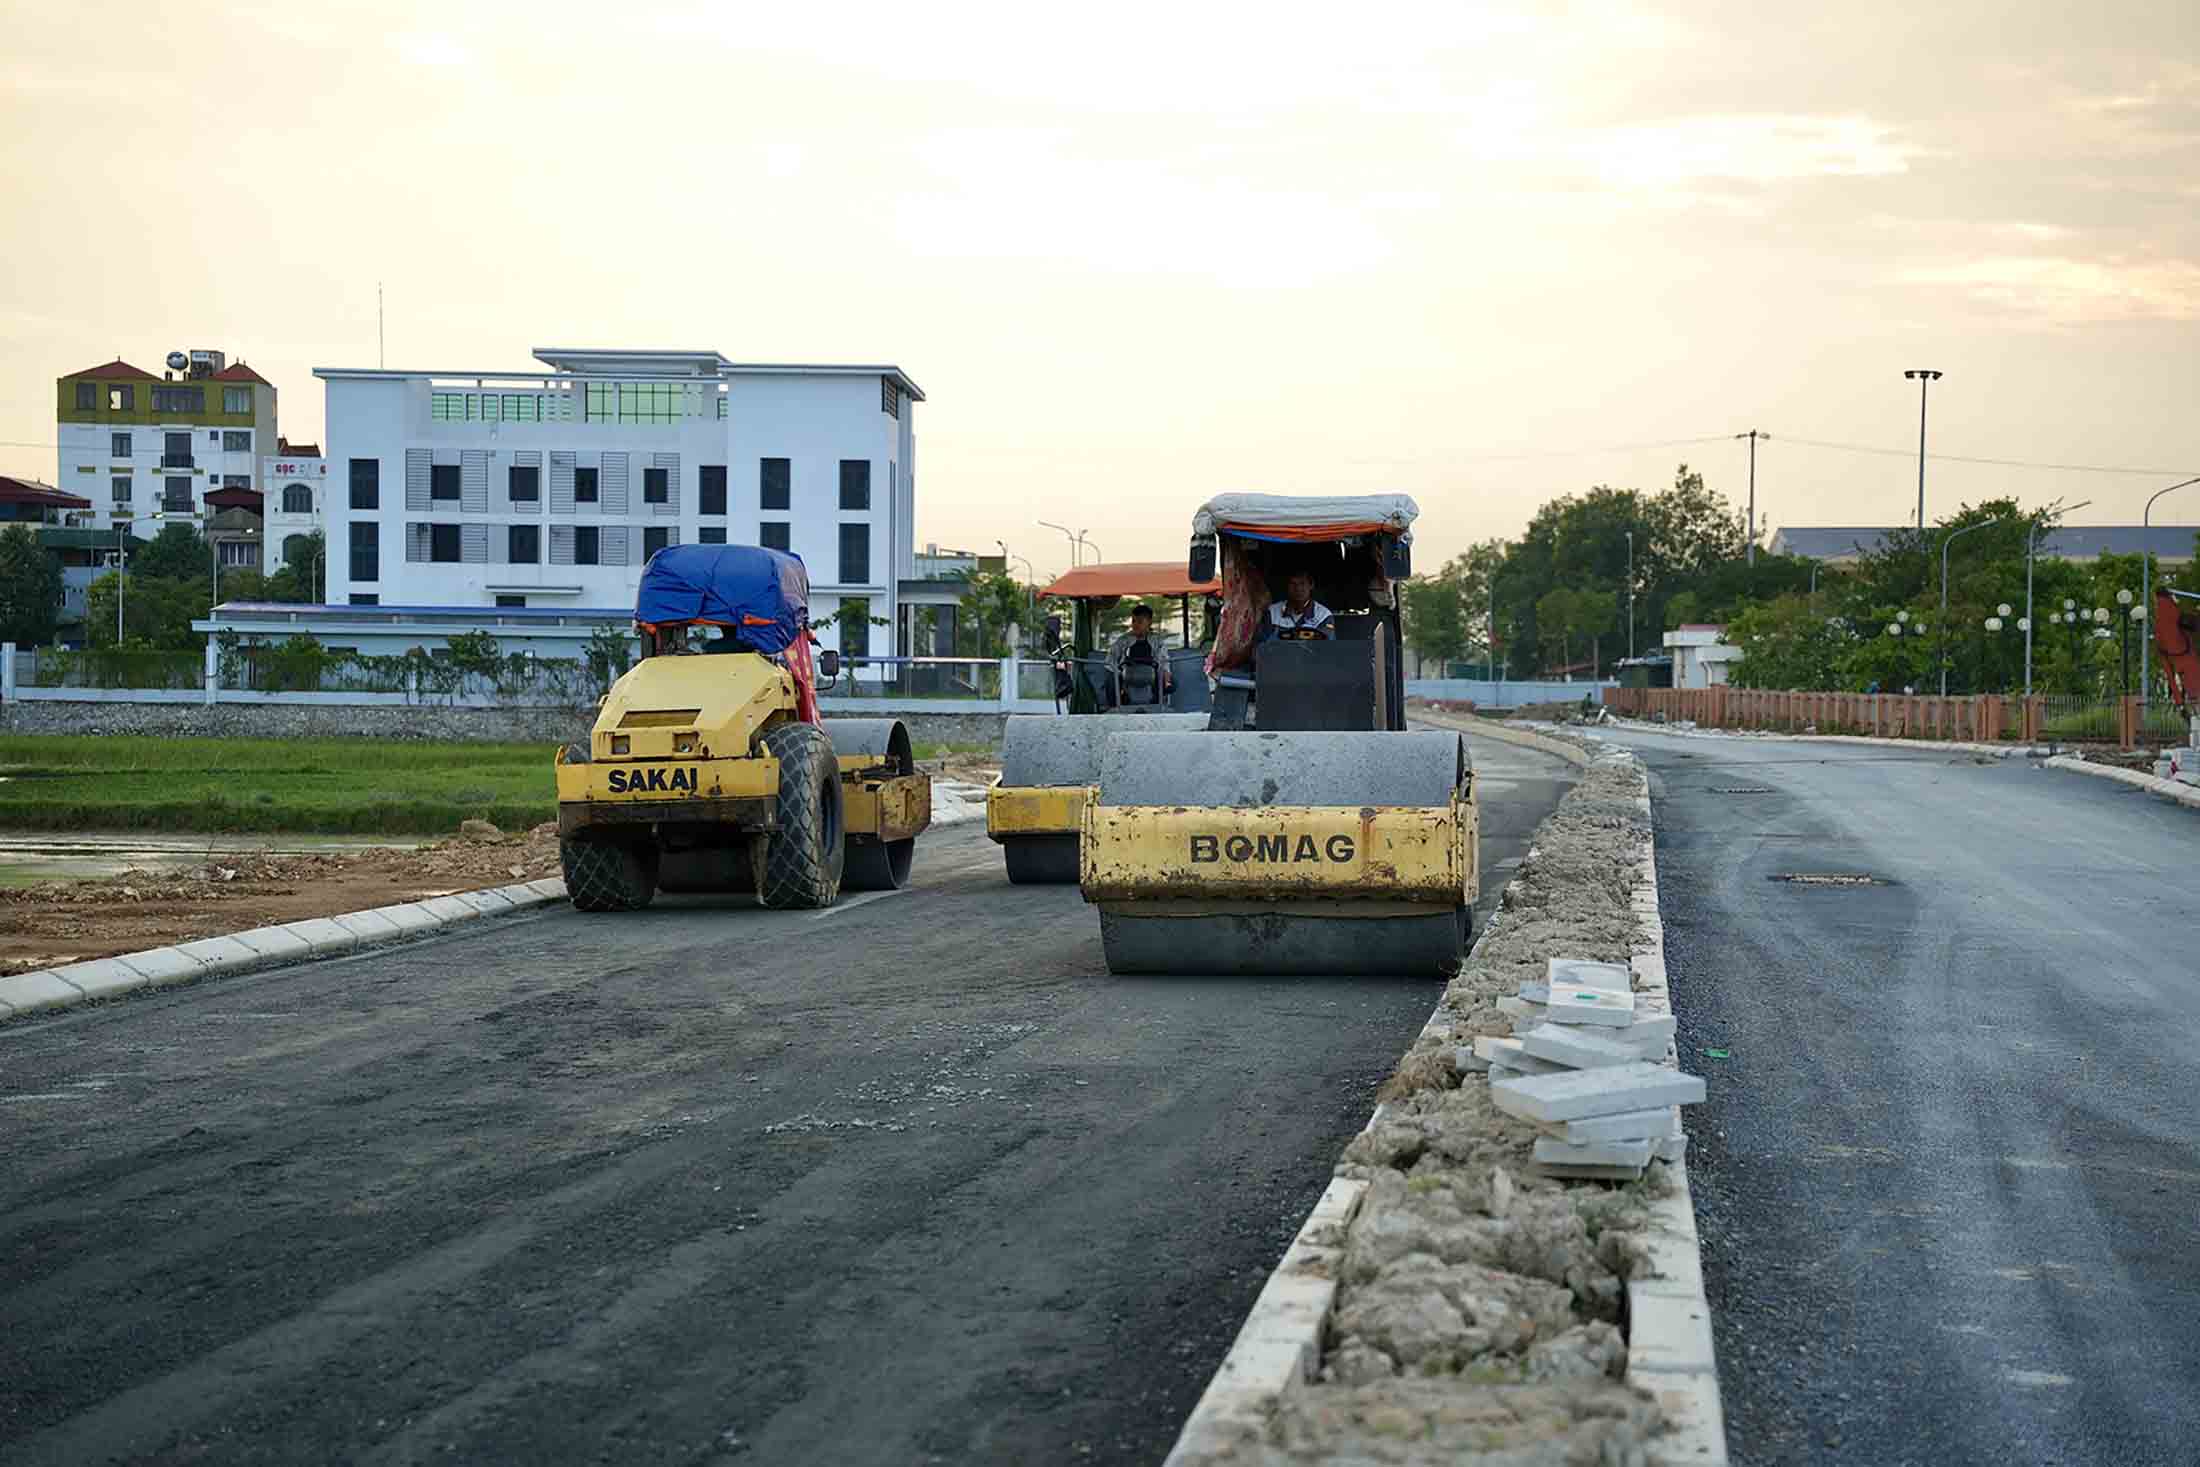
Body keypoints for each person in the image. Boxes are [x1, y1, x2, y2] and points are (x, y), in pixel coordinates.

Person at [1107, 604, 1172, 706]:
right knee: (1110, 682)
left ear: (1150, 622)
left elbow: (1163, 660)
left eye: (1140, 621)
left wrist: (1165, 673)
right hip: (1126, 676)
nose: (1135, 625)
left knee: (1169, 681)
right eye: (1133, 621)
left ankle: (1157, 705)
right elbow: (1110, 661)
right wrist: (1118, 673)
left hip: (1152, 676)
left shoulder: (1157, 641)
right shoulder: (1123, 640)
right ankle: (1116, 707)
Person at [1260, 570, 1334, 642]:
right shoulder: (1272, 612)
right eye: (1293, 584)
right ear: (1287, 587)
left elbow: (1326, 648)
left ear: (1311, 586)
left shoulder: (1323, 615)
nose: (1298, 588)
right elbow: (1264, 645)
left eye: (1302, 584)